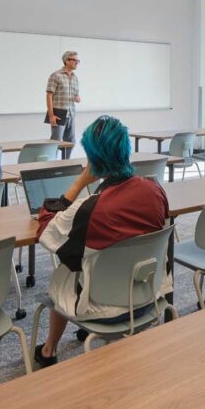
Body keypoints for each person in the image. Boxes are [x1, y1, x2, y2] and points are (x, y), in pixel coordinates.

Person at [33, 115, 169, 367]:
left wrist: (79, 182)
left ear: (93, 161)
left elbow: (47, 232)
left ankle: (49, 350)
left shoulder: (89, 210)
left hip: (106, 308)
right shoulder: (155, 190)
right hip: (149, 294)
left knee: (65, 268)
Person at [46, 50, 81, 158]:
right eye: (74, 60)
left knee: (71, 142)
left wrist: (77, 98)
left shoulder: (75, 77)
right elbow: (49, 95)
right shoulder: (56, 75)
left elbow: (75, 95)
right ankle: (52, 165)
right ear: (66, 61)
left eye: (78, 60)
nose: (77, 63)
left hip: (71, 113)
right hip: (58, 112)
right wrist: (51, 115)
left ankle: (65, 162)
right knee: (55, 142)